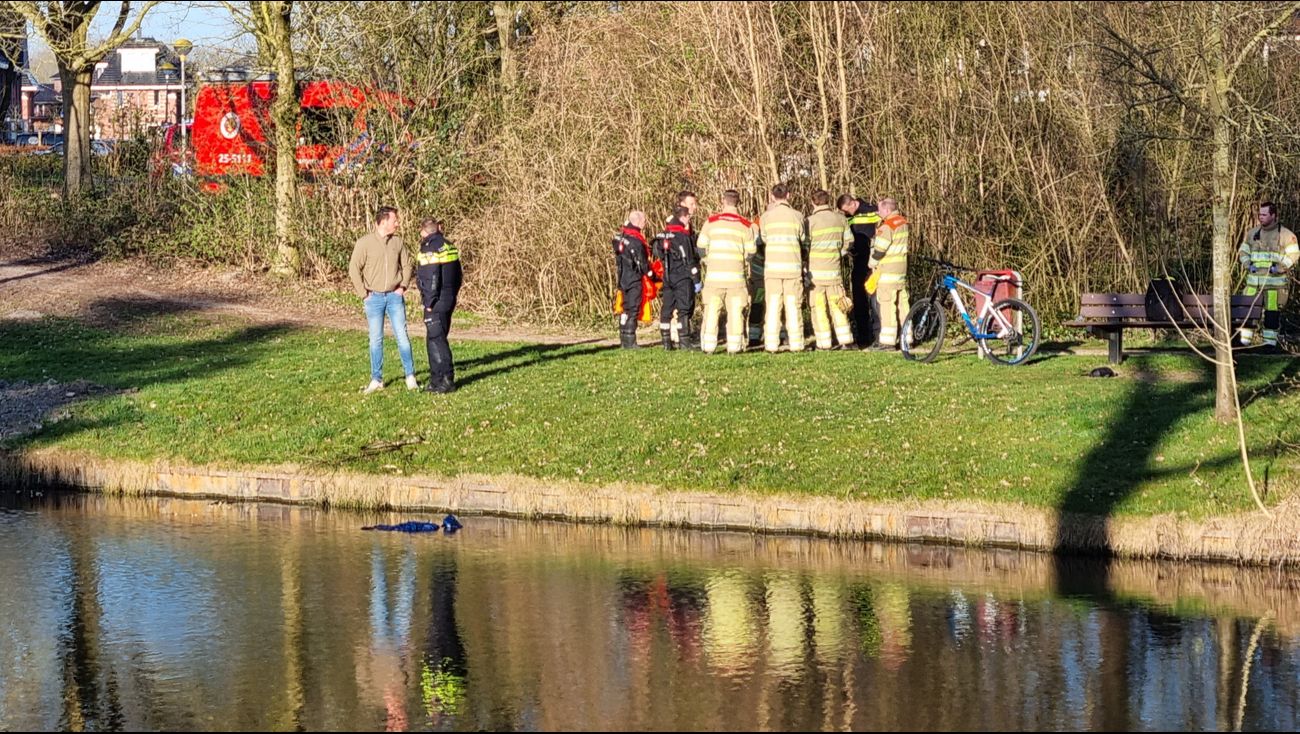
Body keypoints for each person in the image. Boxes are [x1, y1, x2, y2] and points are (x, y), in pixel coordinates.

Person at [349, 206, 418, 393]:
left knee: (402, 337)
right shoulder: (365, 243)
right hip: (374, 298)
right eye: (394, 220)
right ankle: (376, 378)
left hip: (395, 297)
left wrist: (403, 286)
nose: (397, 223)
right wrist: (364, 293)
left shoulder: (398, 242)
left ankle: (410, 375)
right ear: (383, 221)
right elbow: (354, 268)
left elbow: (407, 264)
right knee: (375, 340)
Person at [698, 190, 757, 354]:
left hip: (714, 278)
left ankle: (708, 346)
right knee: (736, 312)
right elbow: (751, 252)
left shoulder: (710, 222)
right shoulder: (746, 225)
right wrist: (742, 262)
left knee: (711, 311)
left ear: (723, 201)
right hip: (736, 280)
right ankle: (735, 346)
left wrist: (708, 261)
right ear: (738, 202)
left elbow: (701, 247)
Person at [1239, 201, 1298, 351]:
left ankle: (1269, 345)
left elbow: (1293, 255)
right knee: (1247, 313)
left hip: (1274, 285)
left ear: (1273, 215)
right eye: (1260, 214)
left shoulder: (1286, 235)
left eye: (1264, 215)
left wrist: (1279, 268)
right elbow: (1243, 251)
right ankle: (1244, 344)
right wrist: (1248, 265)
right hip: (1253, 284)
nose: (1261, 217)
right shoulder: (1252, 233)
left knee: (1272, 315)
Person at [416, 218, 463, 393]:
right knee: (434, 338)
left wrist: (429, 302)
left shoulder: (429, 247)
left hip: (436, 301)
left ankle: (446, 380)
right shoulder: (449, 245)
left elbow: (431, 278)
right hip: (449, 297)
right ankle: (435, 379)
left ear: (424, 231)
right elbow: (459, 275)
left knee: (438, 339)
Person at [759, 183, 807, 352]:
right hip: (792, 270)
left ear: (772, 197)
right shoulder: (798, 216)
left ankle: (771, 344)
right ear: (789, 195)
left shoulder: (765, 217)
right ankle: (796, 344)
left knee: (772, 307)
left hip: (772, 270)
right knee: (793, 306)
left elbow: (764, 238)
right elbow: (802, 238)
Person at [806, 190, 856, 350]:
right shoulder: (841, 219)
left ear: (813, 203)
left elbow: (804, 246)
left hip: (816, 276)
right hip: (834, 272)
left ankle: (824, 343)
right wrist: (838, 254)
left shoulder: (809, 221)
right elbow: (849, 242)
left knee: (819, 308)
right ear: (828, 201)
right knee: (839, 306)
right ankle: (845, 340)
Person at [837, 193, 882, 347]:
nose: (846, 214)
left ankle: (879, 335)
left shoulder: (872, 211)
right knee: (859, 299)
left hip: (873, 263)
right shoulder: (848, 217)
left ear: (852, 204)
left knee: (876, 300)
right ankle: (863, 337)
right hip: (858, 262)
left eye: (846, 210)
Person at [655, 206, 702, 350]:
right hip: (682, 277)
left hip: (668, 277)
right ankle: (684, 341)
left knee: (667, 309)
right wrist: (696, 278)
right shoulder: (682, 236)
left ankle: (666, 342)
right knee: (683, 309)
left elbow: (659, 254)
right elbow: (689, 259)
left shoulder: (663, 235)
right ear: (683, 217)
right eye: (688, 217)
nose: (689, 220)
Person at [867, 197, 911, 351]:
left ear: (886, 210)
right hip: (901, 270)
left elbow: (880, 249)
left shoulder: (887, 226)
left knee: (886, 305)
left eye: (879, 209)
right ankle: (908, 337)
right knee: (902, 305)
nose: (878, 212)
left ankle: (887, 341)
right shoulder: (902, 222)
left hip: (887, 271)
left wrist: (871, 262)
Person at [613, 210, 652, 349]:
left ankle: (623, 339)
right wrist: (653, 276)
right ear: (638, 221)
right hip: (634, 279)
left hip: (622, 278)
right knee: (633, 309)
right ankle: (630, 341)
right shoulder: (636, 241)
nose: (645, 223)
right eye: (644, 220)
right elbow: (642, 263)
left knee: (624, 309)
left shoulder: (619, 237)